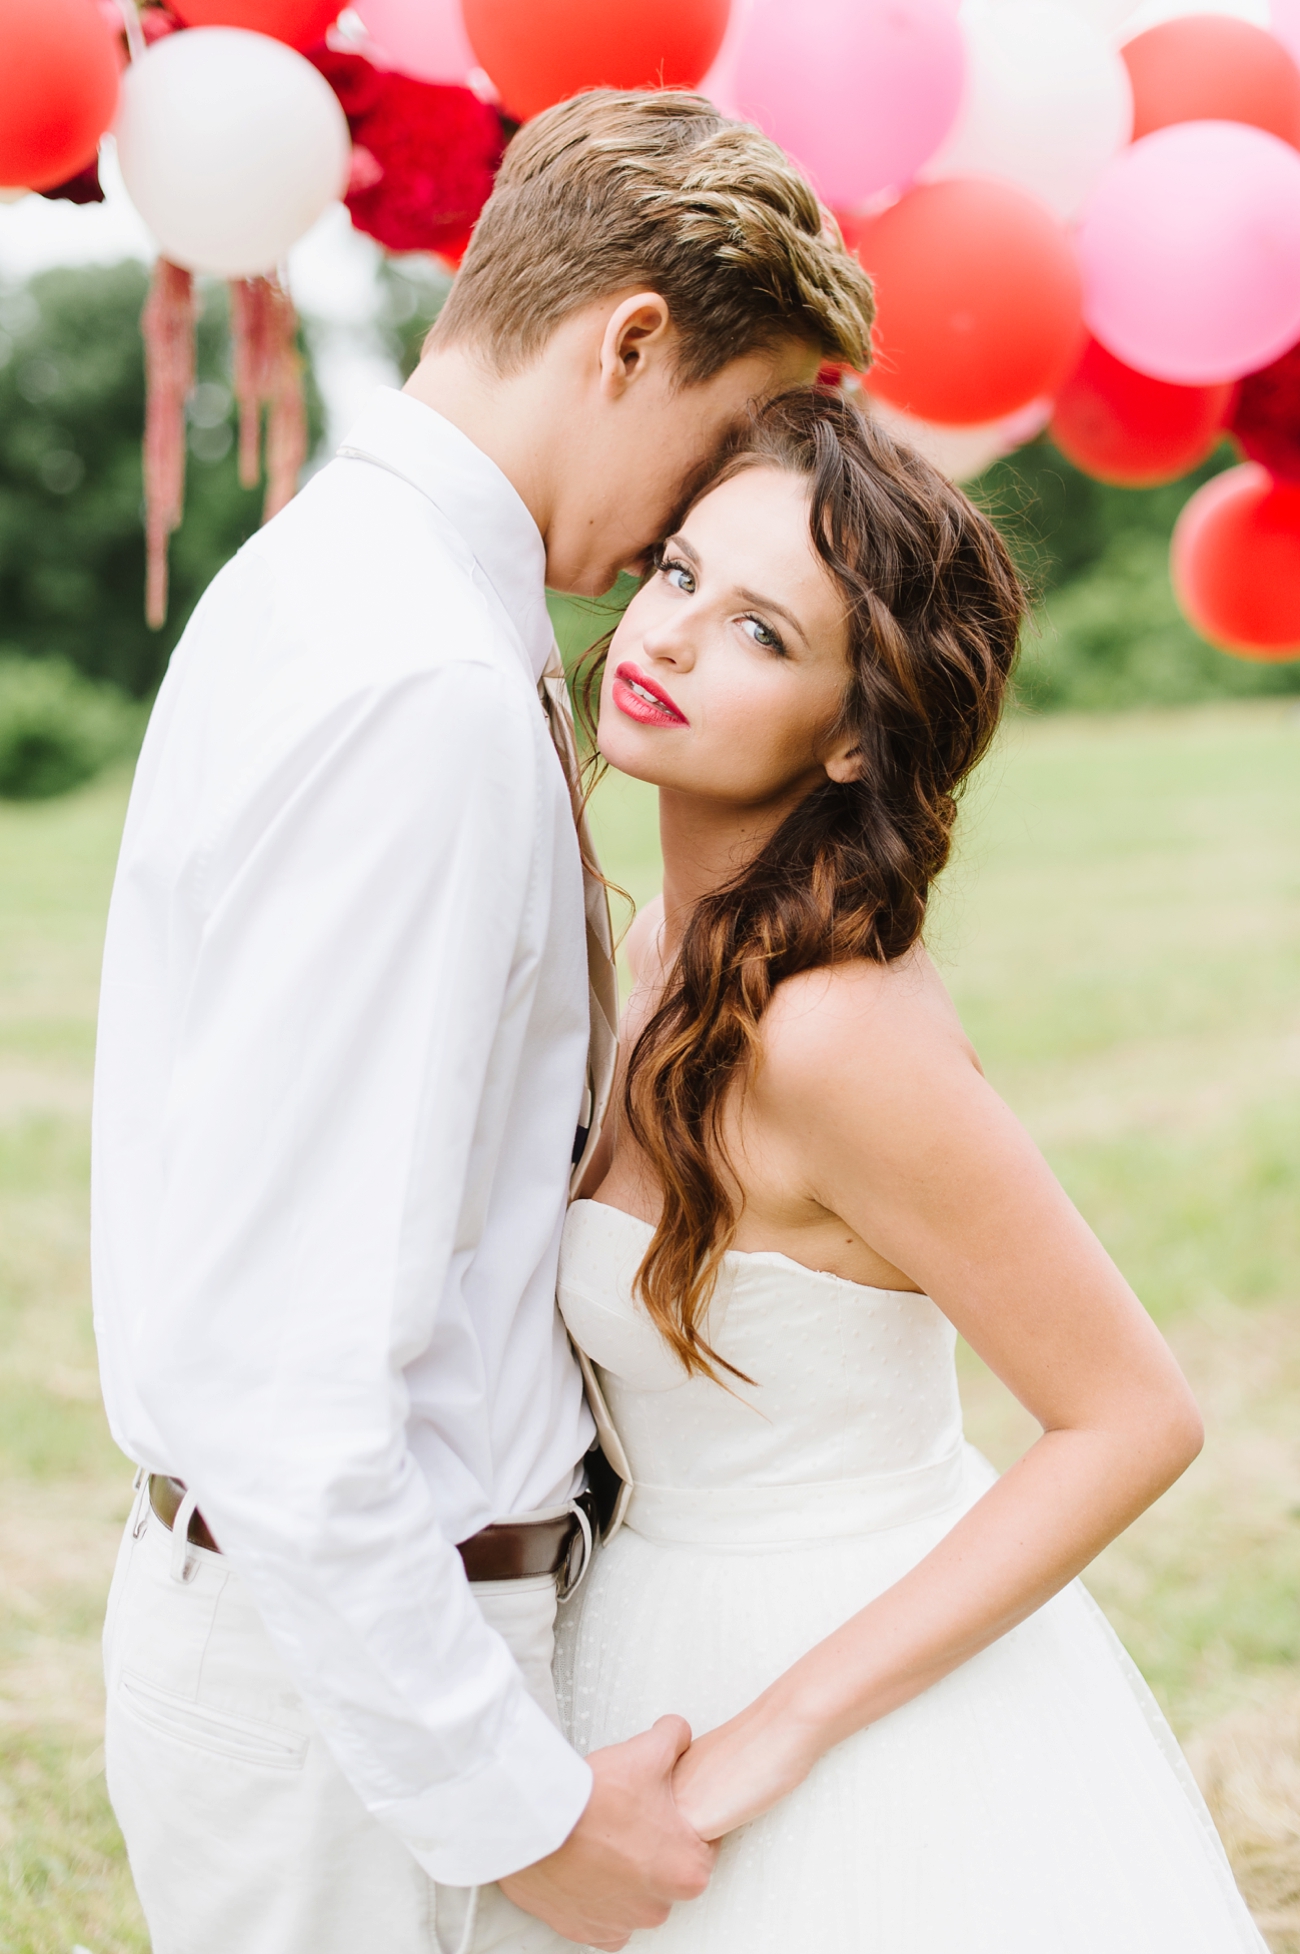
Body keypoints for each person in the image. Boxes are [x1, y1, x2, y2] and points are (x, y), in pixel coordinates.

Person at [91, 93, 874, 1954]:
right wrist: (514, 1807)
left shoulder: (365, 585)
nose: (701, 512)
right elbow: (291, 1367)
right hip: (358, 1700)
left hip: (355, 1651)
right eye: (722, 436)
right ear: (628, 341)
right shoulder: (420, 681)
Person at [553, 386, 1268, 1952]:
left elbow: (1134, 1413)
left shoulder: (834, 1034)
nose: (668, 640)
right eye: (678, 574)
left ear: (856, 732)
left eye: (760, 631)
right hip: (647, 1631)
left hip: (854, 1688)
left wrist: (787, 1725)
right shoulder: (658, 942)